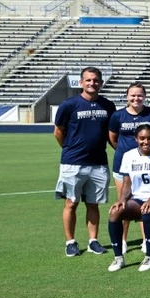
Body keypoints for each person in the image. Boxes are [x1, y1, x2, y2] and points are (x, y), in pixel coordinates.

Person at [54, 66, 117, 257]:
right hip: (73, 163)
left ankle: (93, 241)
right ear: (81, 82)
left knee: (93, 204)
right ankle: (70, 242)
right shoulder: (69, 104)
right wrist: (70, 149)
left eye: (96, 80)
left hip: (98, 163)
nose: (92, 83)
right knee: (71, 203)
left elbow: (110, 134)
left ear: (101, 83)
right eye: (88, 80)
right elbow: (58, 132)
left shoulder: (108, 105)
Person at [106, 124, 150, 272]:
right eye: (142, 138)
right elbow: (127, 184)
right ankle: (118, 257)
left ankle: (149, 256)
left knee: (147, 212)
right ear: (136, 139)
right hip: (137, 199)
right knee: (115, 212)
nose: (146, 141)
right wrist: (122, 198)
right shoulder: (129, 156)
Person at [107, 82, 150, 254]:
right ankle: (122, 240)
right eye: (132, 95)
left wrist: (148, 154)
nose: (136, 98)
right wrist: (128, 154)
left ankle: (146, 240)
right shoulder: (118, 116)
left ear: (144, 96)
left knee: (145, 199)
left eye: (139, 95)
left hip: (148, 164)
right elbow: (113, 138)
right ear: (127, 97)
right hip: (124, 165)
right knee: (124, 202)